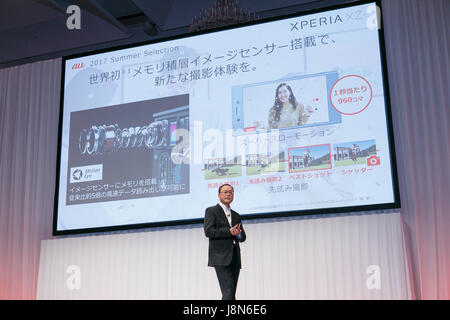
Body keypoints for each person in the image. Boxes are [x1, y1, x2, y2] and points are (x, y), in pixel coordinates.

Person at [204, 184, 246, 300]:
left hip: (235, 257)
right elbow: (209, 231)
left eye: (231, 192)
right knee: (228, 292)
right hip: (220, 257)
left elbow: (242, 237)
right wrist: (229, 231)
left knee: (230, 293)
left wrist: (238, 233)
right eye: (225, 192)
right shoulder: (212, 211)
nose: (228, 194)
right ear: (219, 195)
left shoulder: (236, 215)